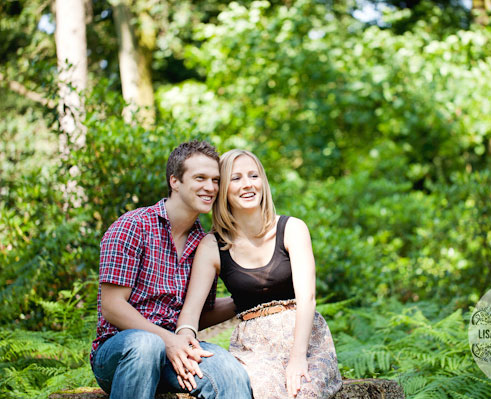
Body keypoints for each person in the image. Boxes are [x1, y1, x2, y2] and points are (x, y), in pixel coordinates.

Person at [90, 140, 253, 399]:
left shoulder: (205, 243)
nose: (210, 188)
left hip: (175, 353)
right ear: (174, 181)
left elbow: (198, 313)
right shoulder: (133, 226)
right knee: (147, 345)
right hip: (121, 352)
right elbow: (112, 306)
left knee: (228, 370)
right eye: (200, 178)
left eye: (215, 180)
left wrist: (251, 299)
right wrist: (168, 341)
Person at [177, 149, 342, 399]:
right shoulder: (212, 246)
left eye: (254, 176)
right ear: (223, 189)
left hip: (305, 341)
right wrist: (184, 342)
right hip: (254, 346)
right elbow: (190, 314)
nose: (248, 184)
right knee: (266, 392)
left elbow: (307, 298)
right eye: (236, 178)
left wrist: (297, 359)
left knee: (304, 392)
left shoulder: (292, 229)